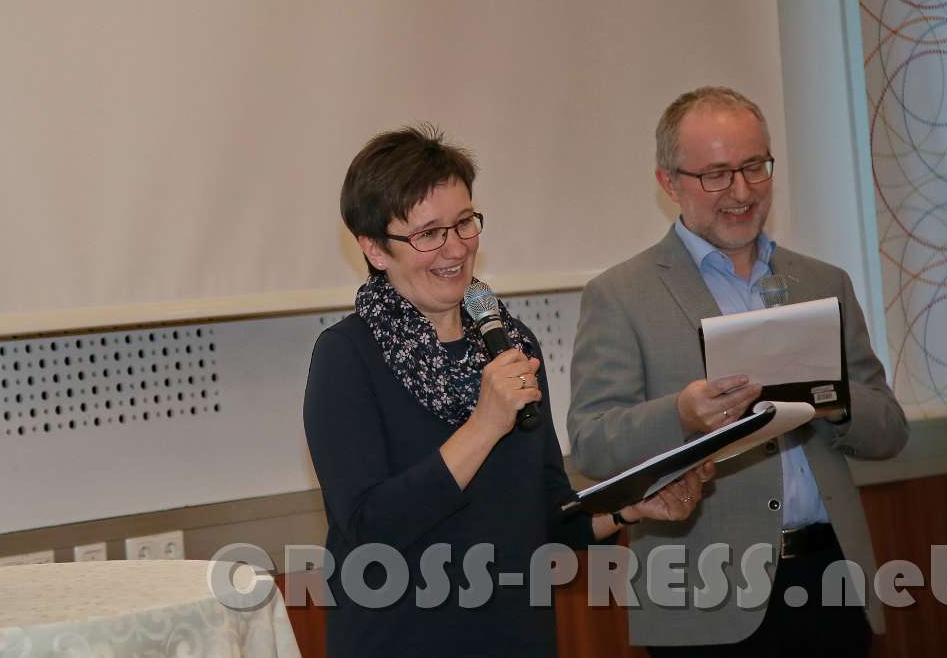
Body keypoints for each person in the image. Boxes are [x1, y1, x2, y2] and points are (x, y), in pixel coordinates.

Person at [304, 124, 713, 658]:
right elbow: (370, 527)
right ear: (375, 249)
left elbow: (542, 517)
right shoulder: (347, 356)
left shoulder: (510, 345)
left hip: (517, 636)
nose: (455, 249)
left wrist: (630, 509)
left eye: (465, 223)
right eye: (429, 234)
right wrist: (483, 424)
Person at [567, 86, 909, 655]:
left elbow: (890, 430)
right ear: (668, 182)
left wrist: (836, 400)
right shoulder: (620, 295)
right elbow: (591, 446)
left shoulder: (823, 283)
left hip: (831, 579)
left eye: (755, 167)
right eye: (717, 174)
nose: (742, 191)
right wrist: (679, 415)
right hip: (704, 597)